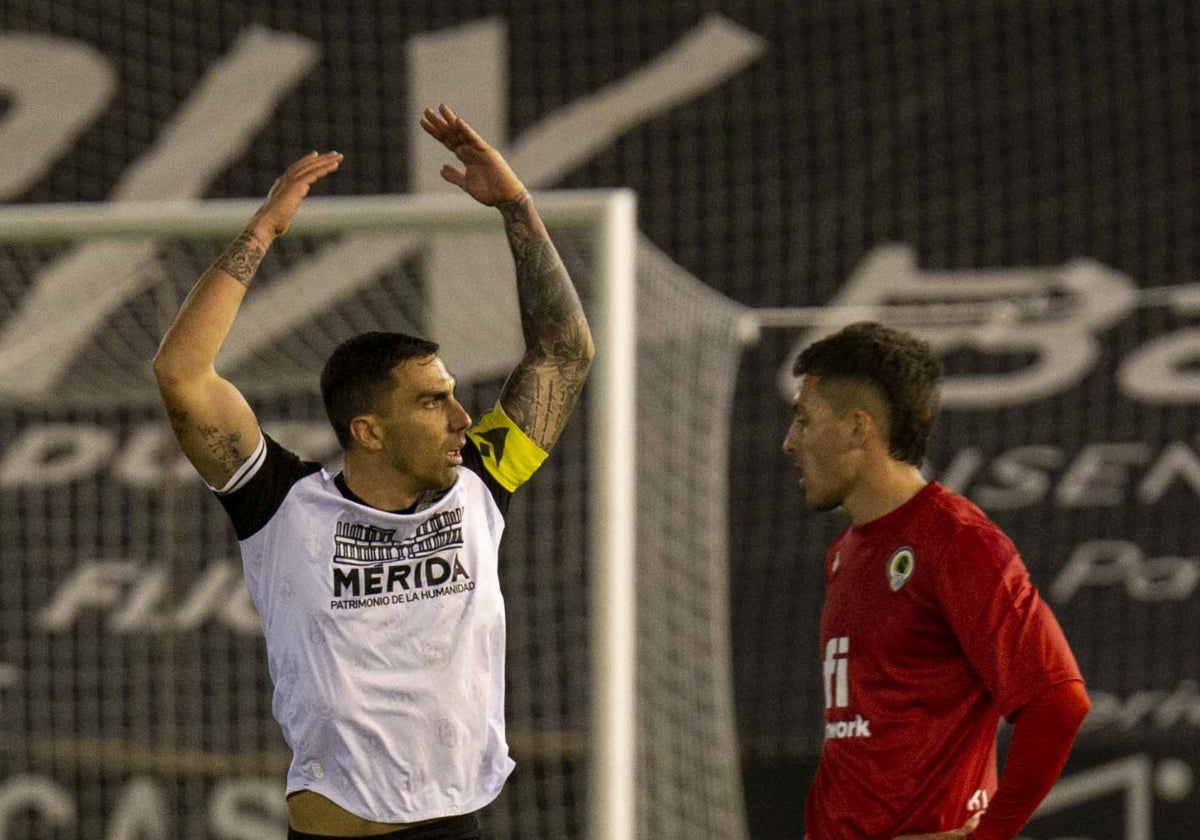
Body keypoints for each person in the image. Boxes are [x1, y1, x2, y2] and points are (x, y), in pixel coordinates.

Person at [153, 104, 594, 839]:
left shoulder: (482, 482)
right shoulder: (281, 506)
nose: (463, 419)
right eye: (434, 403)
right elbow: (181, 371)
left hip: (452, 826)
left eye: (456, 397)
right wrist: (262, 233)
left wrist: (516, 206)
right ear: (368, 430)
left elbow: (563, 355)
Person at [781, 322, 1090, 840]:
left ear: (859, 429)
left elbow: (1058, 700)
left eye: (803, 420)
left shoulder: (957, 542)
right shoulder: (846, 552)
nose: (790, 441)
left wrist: (990, 835)